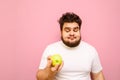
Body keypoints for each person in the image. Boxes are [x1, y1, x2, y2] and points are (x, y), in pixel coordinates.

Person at [36, 12, 105, 80]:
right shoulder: (51, 49)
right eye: (67, 30)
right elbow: (39, 78)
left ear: (79, 31)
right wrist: (50, 71)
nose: (72, 33)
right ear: (61, 32)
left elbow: (98, 76)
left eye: (75, 30)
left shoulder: (91, 50)